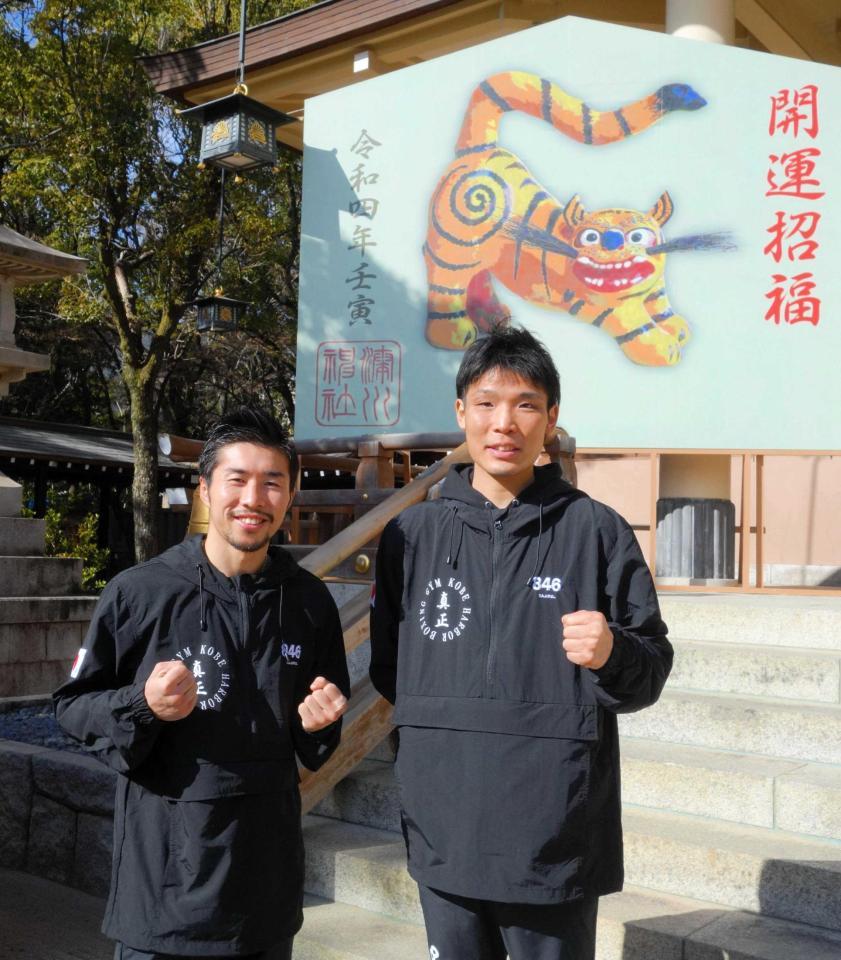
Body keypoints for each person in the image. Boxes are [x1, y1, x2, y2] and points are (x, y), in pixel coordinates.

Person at [370, 326, 672, 960]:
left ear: (551, 418)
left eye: (525, 404)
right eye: (486, 402)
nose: (503, 422)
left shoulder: (597, 532)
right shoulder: (411, 536)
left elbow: (650, 670)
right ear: (461, 412)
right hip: (444, 823)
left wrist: (612, 653)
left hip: (553, 831)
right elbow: (391, 670)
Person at [54, 408, 350, 960]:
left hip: (265, 893)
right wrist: (141, 704)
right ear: (206, 489)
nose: (253, 498)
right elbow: (73, 707)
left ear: (291, 495)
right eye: (237, 479)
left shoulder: (309, 602)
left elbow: (315, 738)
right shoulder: (140, 593)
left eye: (272, 482)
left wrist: (320, 723)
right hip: (163, 893)